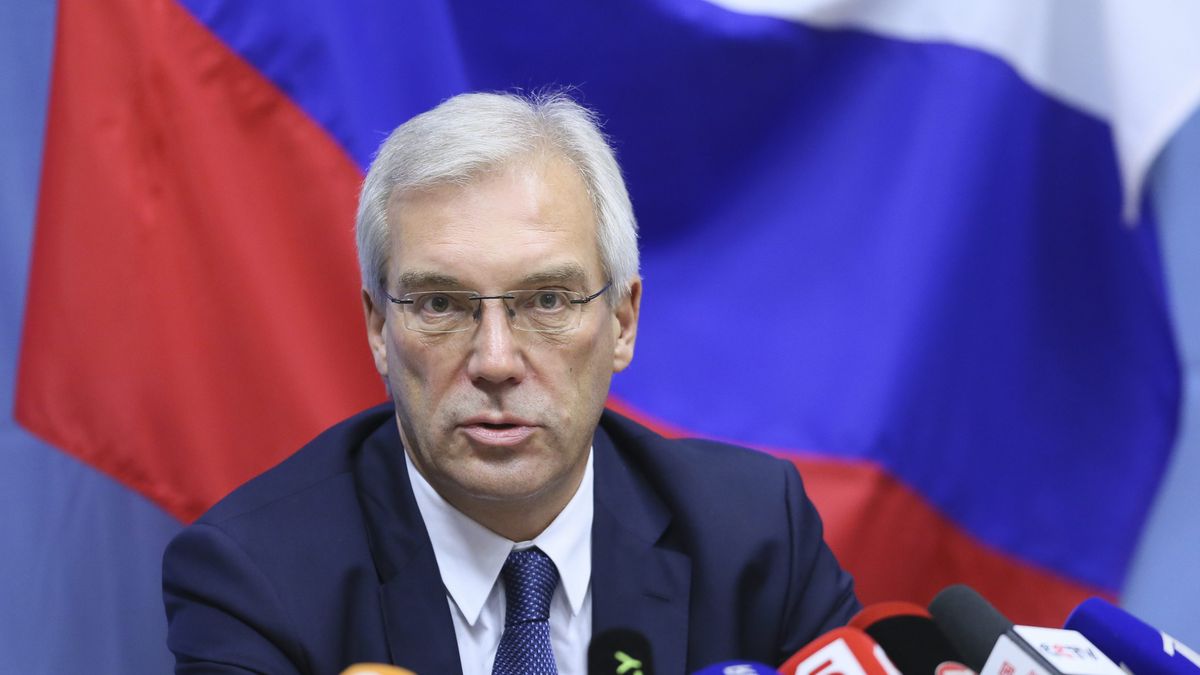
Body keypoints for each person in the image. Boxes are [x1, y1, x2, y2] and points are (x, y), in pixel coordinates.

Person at [162, 91, 859, 675]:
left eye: (548, 300)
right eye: (440, 304)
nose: (495, 360)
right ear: (379, 327)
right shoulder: (254, 579)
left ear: (622, 322)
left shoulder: (756, 535)